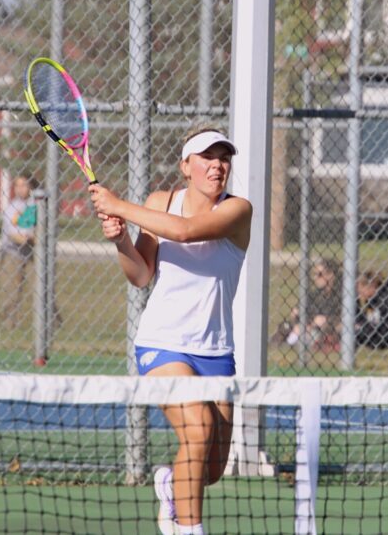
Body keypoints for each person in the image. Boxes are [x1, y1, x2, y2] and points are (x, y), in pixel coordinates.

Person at [89, 127, 252, 535]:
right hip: (162, 345)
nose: (217, 165)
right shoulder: (161, 203)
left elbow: (184, 232)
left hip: (216, 352)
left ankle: (168, 485)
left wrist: (118, 206)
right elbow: (141, 275)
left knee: (211, 469)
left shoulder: (238, 211)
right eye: (206, 157)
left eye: (223, 157)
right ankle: (188, 529)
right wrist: (122, 243)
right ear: (186, 166)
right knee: (198, 428)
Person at [274, 258, 342, 353]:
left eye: (319, 274)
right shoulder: (315, 294)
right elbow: (295, 314)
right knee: (286, 326)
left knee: (312, 329)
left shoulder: (340, 295)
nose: (315, 278)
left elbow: (337, 320)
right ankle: (285, 343)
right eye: (314, 274)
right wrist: (309, 323)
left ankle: (290, 343)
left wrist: (315, 323)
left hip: (324, 332)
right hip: (306, 329)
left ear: (330, 275)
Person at [0, 174, 36, 327]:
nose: (20, 189)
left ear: (31, 187)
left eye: (24, 185)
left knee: (41, 289)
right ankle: (9, 323)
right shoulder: (11, 208)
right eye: (17, 185)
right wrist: (27, 239)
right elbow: (12, 233)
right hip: (13, 253)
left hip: (33, 253)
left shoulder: (36, 205)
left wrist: (34, 239)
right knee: (11, 291)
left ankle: (49, 323)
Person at [355, 271, 388, 349]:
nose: (359, 293)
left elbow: (374, 326)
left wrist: (359, 327)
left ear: (372, 286)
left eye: (361, 289)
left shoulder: (384, 300)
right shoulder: (373, 300)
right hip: (382, 334)